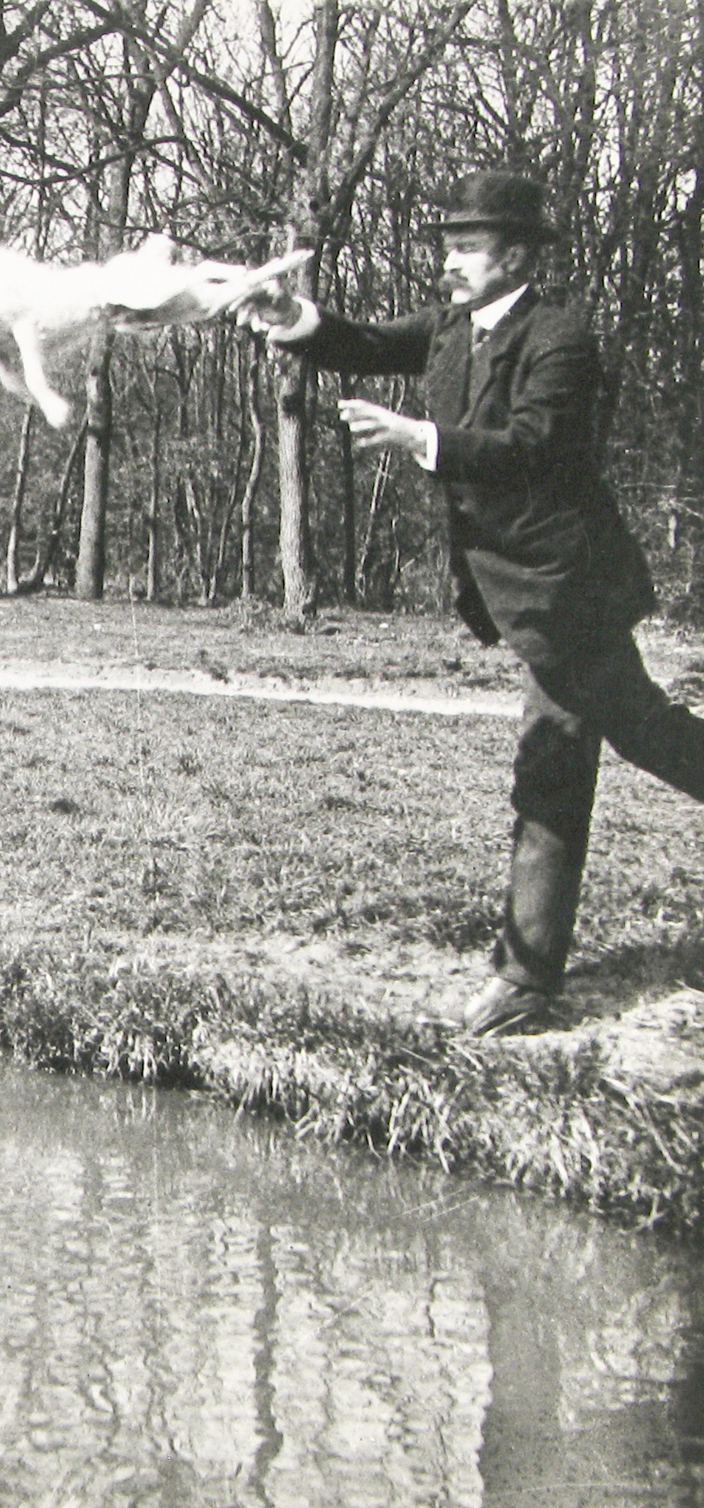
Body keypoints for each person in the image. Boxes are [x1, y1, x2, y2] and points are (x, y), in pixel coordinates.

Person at [230, 171, 704, 1035]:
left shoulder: (562, 338)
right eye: (445, 246)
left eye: (466, 248)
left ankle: (526, 982)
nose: (448, 263)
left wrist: (421, 438)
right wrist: (290, 319)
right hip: (524, 591)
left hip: (570, 589)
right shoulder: (454, 328)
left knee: (556, 765)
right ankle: (527, 976)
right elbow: (369, 341)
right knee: (643, 732)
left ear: (516, 256)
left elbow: (534, 448)